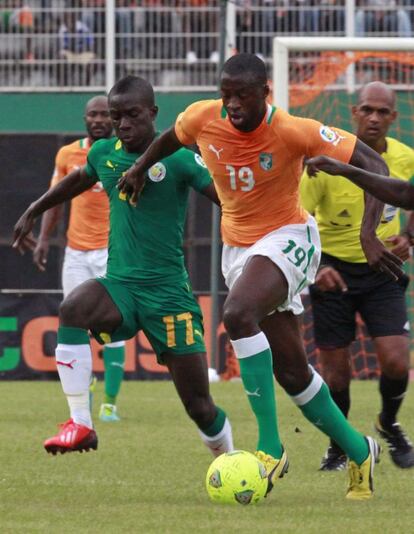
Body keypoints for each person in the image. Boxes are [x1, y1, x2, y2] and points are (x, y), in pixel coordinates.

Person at [115, 53, 403, 500]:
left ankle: (270, 448)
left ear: (264, 93)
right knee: (292, 373)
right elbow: (171, 138)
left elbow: (376, 166)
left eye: (242, 96)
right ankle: (359, 450)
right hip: (240, 248)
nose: (231, 104)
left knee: (238, 313)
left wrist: (369, 233)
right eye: (226, 94)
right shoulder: (202, 117)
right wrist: (137, 169)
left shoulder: (293, 129)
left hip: (289, 236)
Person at [13, 75, 234, 460]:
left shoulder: (180, 157)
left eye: (132, 115)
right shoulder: (104, 153)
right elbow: (78, 180)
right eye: (117, 118)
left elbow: (227, 201)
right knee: (73, 309)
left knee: (200, 407)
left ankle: (229, 458)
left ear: (153, 113)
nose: (124, 125)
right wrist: (36, 208)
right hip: (121, 286)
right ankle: (81, 422)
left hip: (168, 296)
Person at [300, 82, 414, 471]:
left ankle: (389, 423)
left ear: (394, 118)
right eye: (367, 109)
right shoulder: (327, 163)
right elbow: (296, 218)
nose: (374, 118)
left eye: (383, 112)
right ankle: (339, 443)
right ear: (353, 112)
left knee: (398, 362)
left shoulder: (405, 158)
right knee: (335, 373)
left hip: (382, 268)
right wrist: (316, 267)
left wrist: (409, 237)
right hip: (332, 269)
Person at [33, 95, 127, 423]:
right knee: (75, 325)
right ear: (85, 118)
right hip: (75, 252)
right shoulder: (68, 155)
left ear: (113, 119)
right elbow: (56, 200)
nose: (98, 120)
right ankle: (81, 404)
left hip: (111, 252)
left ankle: (110, 404)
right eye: (93, 115)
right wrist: (44, 239)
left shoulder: (122, 152)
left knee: (112, 327)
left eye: (104, 114)